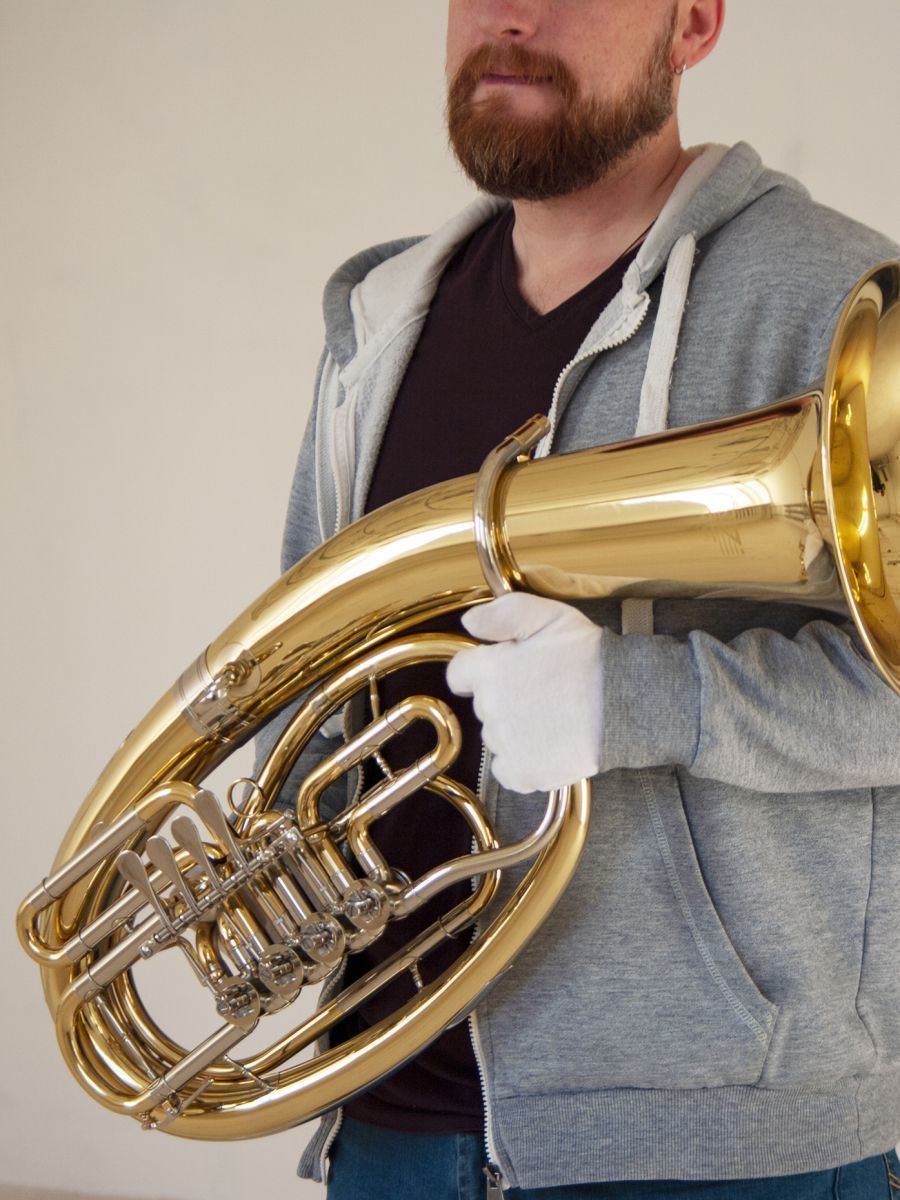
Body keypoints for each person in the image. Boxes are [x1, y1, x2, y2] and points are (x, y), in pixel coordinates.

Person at [262, 1, 900, 1196]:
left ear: (692, 23)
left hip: (719, 1146)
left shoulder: (844, 299)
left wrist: (636, 698)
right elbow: (301, 658)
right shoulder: (380, 316)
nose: (513, 16)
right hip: (385, 1116)